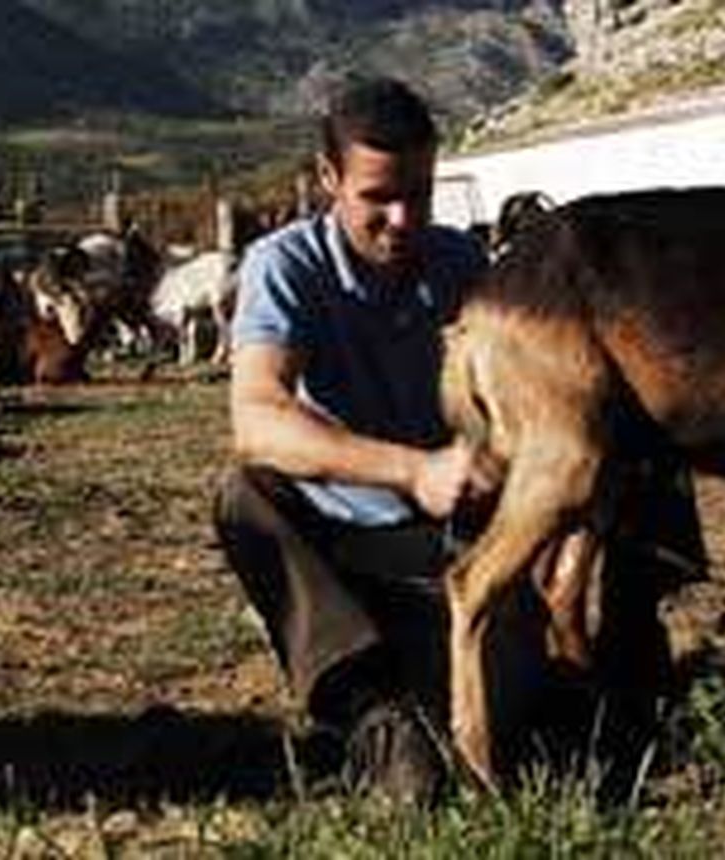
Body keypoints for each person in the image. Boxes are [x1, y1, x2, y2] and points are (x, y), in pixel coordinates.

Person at [212, 77, 507, 801]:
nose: (403, 219)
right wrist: (413, 470)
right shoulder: (283, 266)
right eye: (378, 198)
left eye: (421, 194)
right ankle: (371, 713)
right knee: (243, 494)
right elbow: (256, 417)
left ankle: (619, 659)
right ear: (327, 179)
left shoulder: (463, 267)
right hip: (347, 542)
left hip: (461, 531)